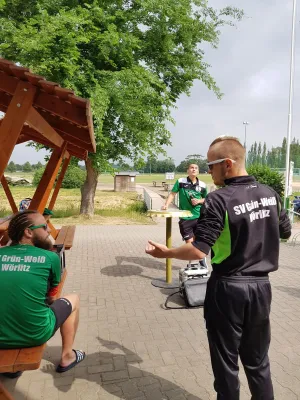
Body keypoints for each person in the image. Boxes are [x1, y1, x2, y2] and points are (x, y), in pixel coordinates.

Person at [146, 136, 291, 400]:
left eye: (210, 165)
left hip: (228, 288)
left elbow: (198, 250)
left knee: (226, 363)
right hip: (261, 288)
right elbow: (285, 230)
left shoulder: (218, 199)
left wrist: (166, 253)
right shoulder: (271, 194)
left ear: (227, 164)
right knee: (258, 362)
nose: (207, 171)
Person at [0, 210, 85, 374]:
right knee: (73, 299)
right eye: (45, 227)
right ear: (28, 232)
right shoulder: (50, 257)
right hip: (34, 334)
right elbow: (52, 297)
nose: (48, 231)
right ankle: (67, 356)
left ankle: (13, 370)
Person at [162, 163, 207, 243]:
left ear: (198, 171)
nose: (194, 169)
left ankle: (200, 256)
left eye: (196, 168)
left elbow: (207, 199)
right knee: (189, 243)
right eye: (191, 168)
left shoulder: (203, 185)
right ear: (188, 171)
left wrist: (199, 201)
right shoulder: (180, 181)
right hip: (185, 218)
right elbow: (172, 194)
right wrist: (166, 205)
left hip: (198, 217)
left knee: (198, 243)